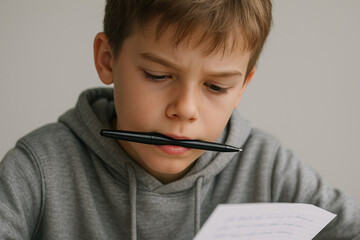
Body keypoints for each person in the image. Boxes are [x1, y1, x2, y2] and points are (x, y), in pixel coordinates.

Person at [1, 0, 359, 239]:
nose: (186, 109)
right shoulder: (37, 168)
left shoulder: (267, 166)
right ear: (108, 59)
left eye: (216, 87)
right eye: (158, 75)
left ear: (242, 87)